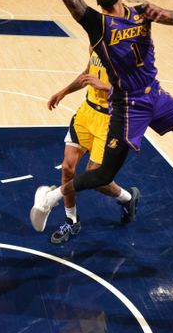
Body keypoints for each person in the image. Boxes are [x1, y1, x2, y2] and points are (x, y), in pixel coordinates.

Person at [25, 0, 173, 233]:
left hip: (154, 94)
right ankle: (55, 206)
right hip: (126, 105)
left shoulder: (142, 14)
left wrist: (165, 14)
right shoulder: (97, 25)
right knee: (93, 174)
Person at [45, 50, 138, 244]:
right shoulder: (96, 39)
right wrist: (63, 91)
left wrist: (104, 87)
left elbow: (135, 91)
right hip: (86, 114)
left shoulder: (128, 48)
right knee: (67, 168)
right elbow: (87, 73)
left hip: (111, 120)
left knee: (94, 175)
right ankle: (71, 220)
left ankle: (127, 197)